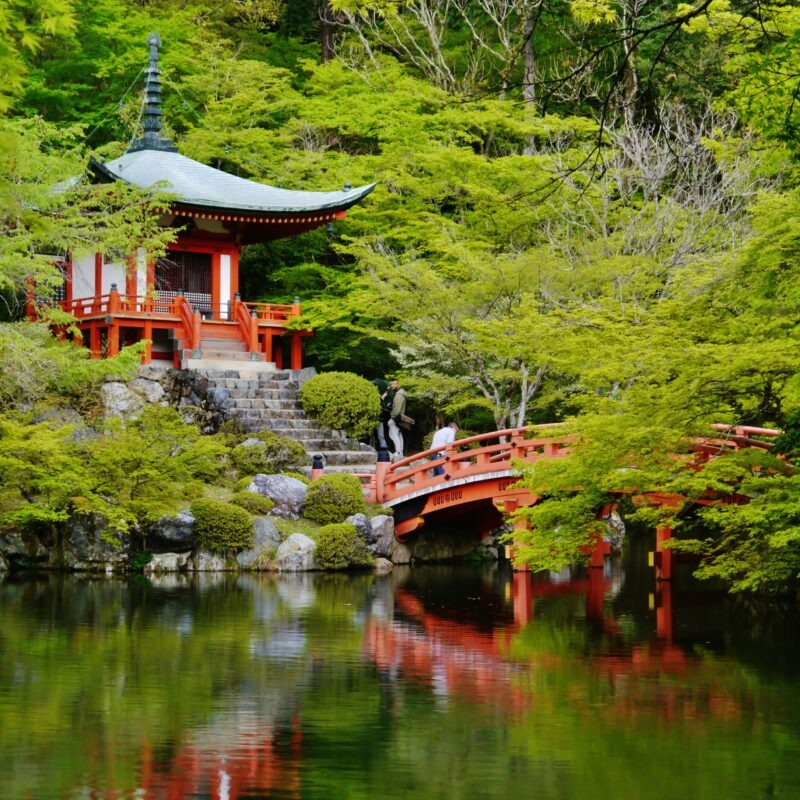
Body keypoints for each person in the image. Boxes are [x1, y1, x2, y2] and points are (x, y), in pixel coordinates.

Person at [387, 378, 408, 461]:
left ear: (398, 384)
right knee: (399, 435)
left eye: (394, 384)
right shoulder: (401, 394)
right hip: (399, 417)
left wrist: (392, 416)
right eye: (391, 384)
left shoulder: (399, 395)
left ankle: (398, 452)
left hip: (396, 418)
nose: (392, 386)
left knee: (394, 435)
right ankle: (400, 452)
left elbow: (397, 410)